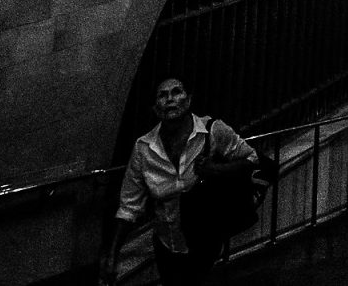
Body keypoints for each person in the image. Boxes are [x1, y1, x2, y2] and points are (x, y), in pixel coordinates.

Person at [106, 76, 258, 285]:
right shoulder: (144, 149)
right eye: (162, 95)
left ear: (188, 99)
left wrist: (217, 170)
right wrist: (113, 254)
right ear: (155, 108)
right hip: (167, 245)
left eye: (176, 92)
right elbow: (129, 207)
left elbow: (251, 158)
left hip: (205, 239)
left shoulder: (212, 131)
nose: (170, 99)